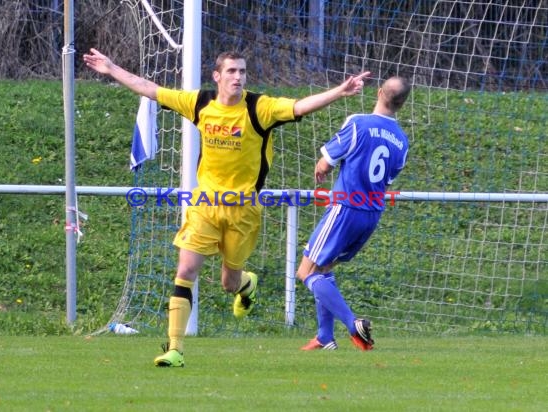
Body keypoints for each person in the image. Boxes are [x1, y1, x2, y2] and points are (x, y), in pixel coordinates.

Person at [83, 47, 370, 367]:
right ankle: (174, 349)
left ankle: (246, 285)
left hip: (244, 212)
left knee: (228, 283)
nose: (238, 77)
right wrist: (111, 68)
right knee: (186, 271)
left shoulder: (259, 107)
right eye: (231, 71)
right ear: (217, 76)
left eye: (242, 72)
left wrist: (340, 91)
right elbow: (150, 89)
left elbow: (301, 105)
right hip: (204, 207)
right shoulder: (200, 102)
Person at [297, 76, 411, 351]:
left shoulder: (359, 123)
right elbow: (389, 178)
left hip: (345, 208)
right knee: (323, 269)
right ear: (402, 104)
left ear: (380, 92)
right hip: (371, 213)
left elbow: (327, 162)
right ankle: (325, 337)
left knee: (306, 272)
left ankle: (352, 324)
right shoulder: (402, 141)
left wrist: (321, 167)